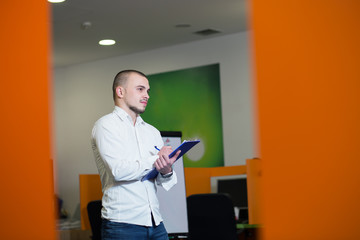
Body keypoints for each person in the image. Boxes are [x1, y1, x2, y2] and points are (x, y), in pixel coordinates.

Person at [91, 70, 180, 240]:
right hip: (122, 225)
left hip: (155, 222)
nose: (146, 95)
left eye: (147, 91)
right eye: (140, 89)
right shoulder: (106, 126)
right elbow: (118, 171)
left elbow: (162, 181)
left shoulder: (152, 132)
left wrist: (166, 169)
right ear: (120, 92)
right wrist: (156, 160)